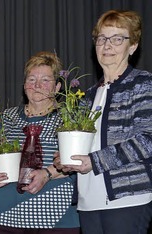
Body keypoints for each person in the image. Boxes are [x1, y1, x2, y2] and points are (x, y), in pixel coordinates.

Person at [54, 10, 152, 233]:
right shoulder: (87, 96)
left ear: (133, 46)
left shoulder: (143, 84)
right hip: (89, 202)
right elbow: (86, 147)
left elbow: (148, 139)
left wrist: (94, 161)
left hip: (127, 200)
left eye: (117, 38)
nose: (107, 45)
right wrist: (67, 159)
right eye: (101, 38)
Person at [0, 52, 80, 233]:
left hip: (56, 217)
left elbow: (78, 159)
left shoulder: (70, 118)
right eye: (31, 79)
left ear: (58, 86)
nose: (37, 85)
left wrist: (48, 173)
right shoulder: (7, 117)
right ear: (24, 85)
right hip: (7, 214)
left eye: (45, 80)